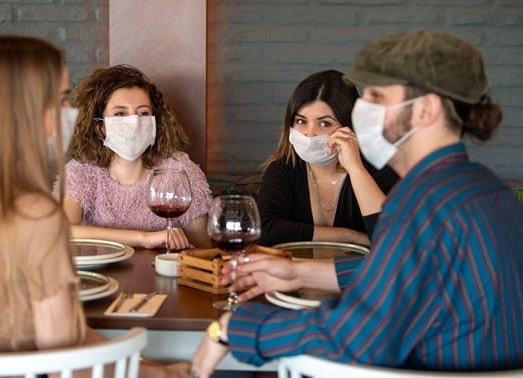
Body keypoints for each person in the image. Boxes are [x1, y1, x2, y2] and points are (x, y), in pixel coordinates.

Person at [191, 30, 523, 376]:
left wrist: (233, 328)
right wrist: (300, 271)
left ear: (425, 109)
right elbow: (412, 274)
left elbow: (357, 337)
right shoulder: (489, 192)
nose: (364, 111)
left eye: (377, 97)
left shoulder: (421, 208)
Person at [0, 35, 187, 378]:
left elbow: (66, 338)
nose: (71, 111)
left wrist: (147, 367)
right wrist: (164, 373)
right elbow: (64, 363)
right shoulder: (36, 213)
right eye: (59, 99)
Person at [57, 65, 212, 250]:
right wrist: (143, 238)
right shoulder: (81, 171)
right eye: (120, 113)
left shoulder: (179, 170)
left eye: (143, 113)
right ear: (100, 127)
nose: (134, 122)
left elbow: (204, 250)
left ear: (155, 122)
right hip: (99, 277)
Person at [257, 70, 398, 247]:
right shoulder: (284, 168)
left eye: (325, 123)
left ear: (350, 126)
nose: (310, 133)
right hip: (298, 272)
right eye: (301, 121)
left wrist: (356, 169)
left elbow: (392, 238)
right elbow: (264, 231)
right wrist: (350, 236)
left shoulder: (379, 170)